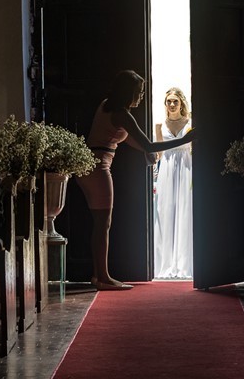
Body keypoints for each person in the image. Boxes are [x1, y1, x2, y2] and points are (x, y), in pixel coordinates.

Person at [76, 70, 195, 290]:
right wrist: (184, 140)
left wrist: (146, 153)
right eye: (139, 92)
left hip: (89, 165)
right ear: (128, 92)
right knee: (104, 224)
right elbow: (148, 144)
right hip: (99, 166)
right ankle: (103, 277)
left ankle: (98, 275)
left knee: (100, 224)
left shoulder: (107, 106)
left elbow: (131, 139)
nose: (141, 96)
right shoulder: (122, 114)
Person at [153, 87, 194, 279]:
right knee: (166, 212)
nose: (171, 104)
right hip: (167, 170)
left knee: (185, 212)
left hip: (186, 169)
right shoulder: (160, 126)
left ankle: (184, 263)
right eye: (168, 101)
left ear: (181, 103)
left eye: (175, 101)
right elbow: (159, 154)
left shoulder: (190, 123)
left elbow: (194, 149)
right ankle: (165, 263)